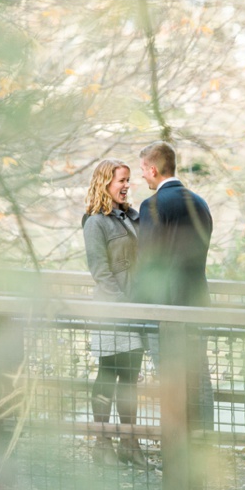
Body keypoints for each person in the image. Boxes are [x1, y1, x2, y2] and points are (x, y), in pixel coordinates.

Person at [134, 141, 214, 429]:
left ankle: (177, 450)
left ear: (153, 169)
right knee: (199, 377)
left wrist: (135, 309)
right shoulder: (200, 204)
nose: (141, 175)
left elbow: (148, 264)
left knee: (170, 380)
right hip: (197, 305)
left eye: (142, 169)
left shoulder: (152, 206)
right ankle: (203, 440)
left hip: (164, 310)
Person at [82, 158, 153, 470]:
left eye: (127, 180)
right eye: (120, 181)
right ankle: (102, 443)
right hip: (111, 313)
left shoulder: (132, 218)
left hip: (135, 311)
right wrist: (122, 308)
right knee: (107, 376)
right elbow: (100, 271)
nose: (126, 186)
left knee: (129, 382)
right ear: (104, 183)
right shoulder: (95, 222)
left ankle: (129, 442)